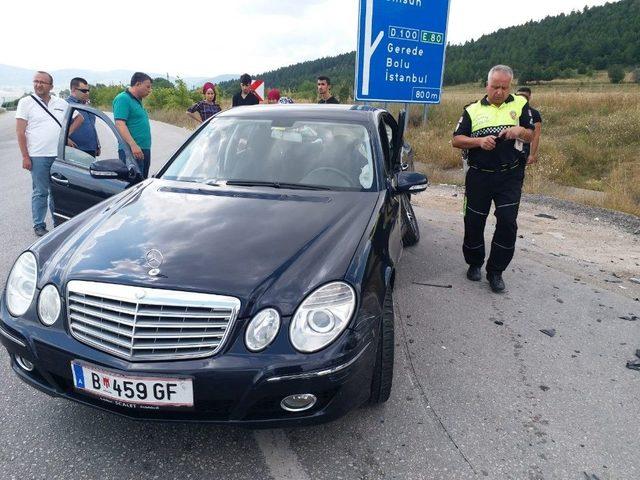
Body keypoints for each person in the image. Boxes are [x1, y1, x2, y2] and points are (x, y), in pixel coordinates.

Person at [452, 65, 534, 293]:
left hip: (510, 175)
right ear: (487, 85)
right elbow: (456, 140)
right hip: (479, 175)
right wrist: (478, 142)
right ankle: (474, 262)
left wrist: (519, 131)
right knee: (474, 221)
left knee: (508, 222)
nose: (499, 91)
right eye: (495, 86)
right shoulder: (472, 110)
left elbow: (531, 133)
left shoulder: (520, 105)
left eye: (504, 87)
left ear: (510, 87)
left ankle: (496, 271)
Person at [16, 71, 83, 236]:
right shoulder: (26, 103)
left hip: (59, 156)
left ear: (51, 86)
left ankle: (58, 224)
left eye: (42, 82)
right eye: (36, 81)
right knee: (40, 191)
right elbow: (20, 132)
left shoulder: (61, 102)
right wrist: (25, 156)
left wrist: (65, 136)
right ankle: (39, 224)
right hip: (38, 156)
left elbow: (79, 118)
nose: (38, 85)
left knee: (57, 191)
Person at [112, 72, 153, 178]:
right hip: (132, 151)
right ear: (138, 84)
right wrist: (133, 145)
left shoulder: (138, 100)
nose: (150, 90)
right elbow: (120, 124)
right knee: (133, 185)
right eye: (147, 87)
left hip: (143, 149)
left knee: (142, 182)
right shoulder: (123, 99)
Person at [66, 77, 100, 157]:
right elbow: (58, 127)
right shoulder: (66, 105)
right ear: (74, 90)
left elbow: (92, 126)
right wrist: (65, 139)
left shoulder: (87, 106)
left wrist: (97, 144)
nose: (87, 93)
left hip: (90, 150)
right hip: (75, 151)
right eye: (84, 91)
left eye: (88, 90)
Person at [516, 87, 542, 175]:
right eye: (519, 96)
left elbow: (536, 135)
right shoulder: (510, 112)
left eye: (524, 97)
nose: (521, 99)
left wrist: (532, 154)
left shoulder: (534, 113)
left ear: (529, 97)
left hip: (524, 148)